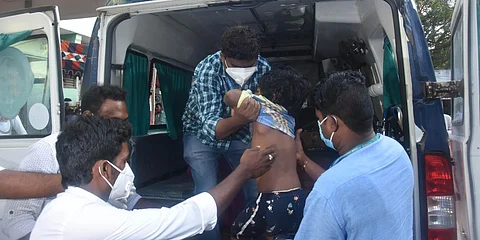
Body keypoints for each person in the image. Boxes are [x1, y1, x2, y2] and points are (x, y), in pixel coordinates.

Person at [30, 116, 277, 239]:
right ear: (104, 170)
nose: (126, 172)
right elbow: (187, 217)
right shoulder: (91, 219)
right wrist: (244, 170)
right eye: (123, 163)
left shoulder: (60, 207)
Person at [1, 86, 154, 240]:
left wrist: (160, 215)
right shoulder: (47, 151)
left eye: (124, 121)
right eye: (113, 121)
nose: (121, 128)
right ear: (88, 116)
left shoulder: (119, 153)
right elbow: (16, 220)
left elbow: (129, 199)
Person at [294, 71, 414, 239]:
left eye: (319, 120)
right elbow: (348, 186)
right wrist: (302, 158)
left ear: (331, 123)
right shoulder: (395, 151)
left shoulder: (329, 192)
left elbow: (338, 189)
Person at [182, 25, 270, 239]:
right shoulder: (207, 70)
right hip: (200, 136)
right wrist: (241, 118)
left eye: (249, 66)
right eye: (236, 67)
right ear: (223, 58)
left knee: (255, 189)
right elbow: (214, 131)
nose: (244, 73)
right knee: (207, 196)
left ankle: (251, 234)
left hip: (240, 135)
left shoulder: (264, 68)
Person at [224, 67, 310, 239]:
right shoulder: (289, 119)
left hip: (272, 199)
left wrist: (250, 98)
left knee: (238, 232)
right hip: (297, 196)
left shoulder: (262, 108)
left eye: (259, 90)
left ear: (273, 95)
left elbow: (230, 96)